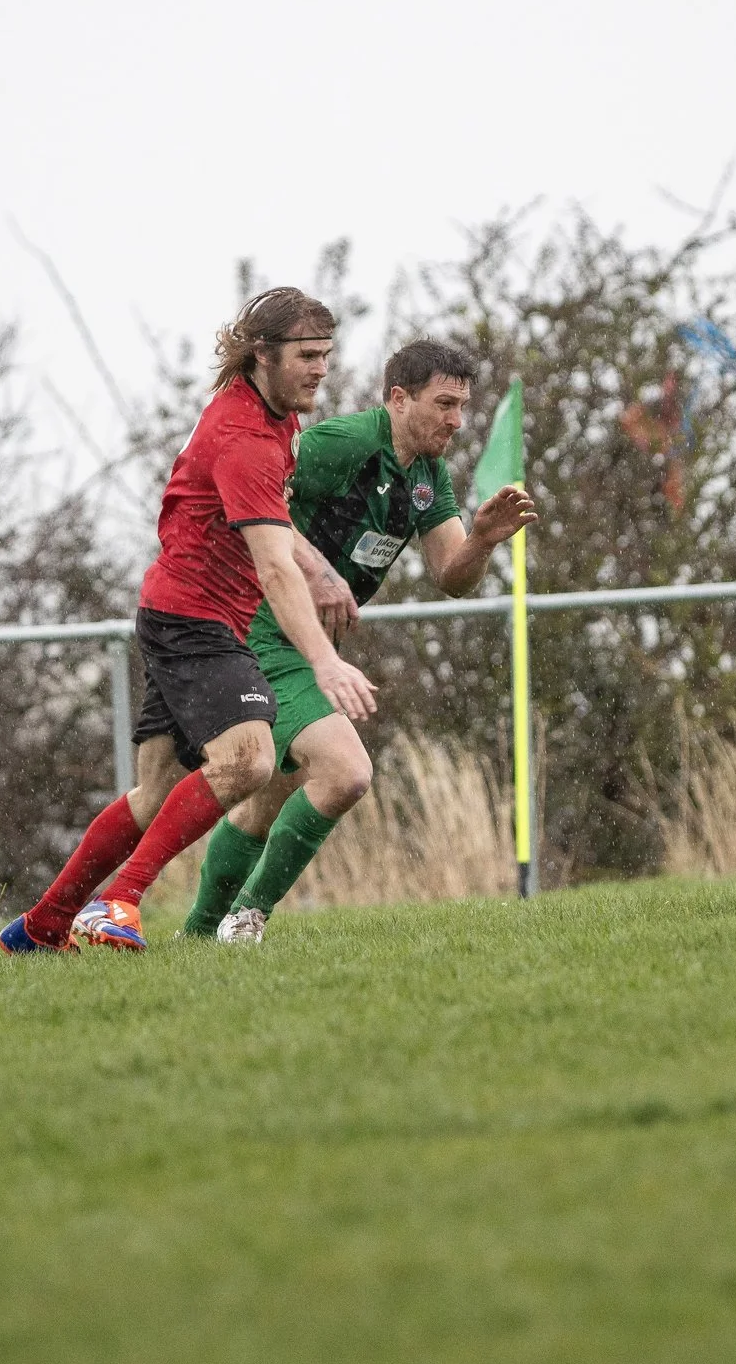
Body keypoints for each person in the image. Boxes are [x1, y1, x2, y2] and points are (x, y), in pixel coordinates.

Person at [0, 287, 376, 953]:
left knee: (156, 793)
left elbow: (278, 530)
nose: (322, 369)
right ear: (263, 355)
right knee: (250, 761)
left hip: (178, 613)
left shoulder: (274, 418)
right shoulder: (245, 439)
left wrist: (320, 567)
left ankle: (41, 925)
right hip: (195, 622)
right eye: (308, 356)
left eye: (327, 355)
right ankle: (120, 899)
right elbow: (272, 567)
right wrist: (323, 658)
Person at [187, 338, 537, 943]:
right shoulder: (343, 445)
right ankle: (245, 921)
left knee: (266, 801)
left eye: (462, 407)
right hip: (260, 628)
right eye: (444, 404)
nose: (457, 421)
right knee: (346, 774)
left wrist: (481, 541)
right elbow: (252, 501)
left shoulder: (426, 475)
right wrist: (317, 571)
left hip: (303, 642)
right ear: (399, 399)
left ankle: (194, 940)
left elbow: (450, 574)